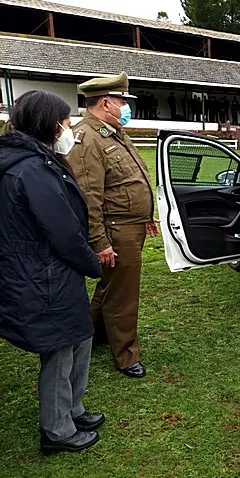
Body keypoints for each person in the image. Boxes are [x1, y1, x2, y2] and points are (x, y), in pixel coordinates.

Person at [0, 90, 104, 455]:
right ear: (48, 124)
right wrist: (93, 265)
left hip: (49, 273)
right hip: (43, 276)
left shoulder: (35, 160)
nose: (70, 128)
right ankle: (57, 430)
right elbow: (63, 232)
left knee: (80, 339)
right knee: (60, 353)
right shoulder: (30, 168)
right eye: (65, 121)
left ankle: (73, 410)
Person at [65, 72, 158, 379]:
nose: (125, 107)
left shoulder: (112, 132)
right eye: (122, 101)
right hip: (115, 231)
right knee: (123, 294)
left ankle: (92, 335)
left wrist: (146, 216)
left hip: (129, 225)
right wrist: (100, 241)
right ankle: (126, 355)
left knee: (110, 286)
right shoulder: (87, 138)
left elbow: (132, 180)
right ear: (105, 102)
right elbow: (90, 196)